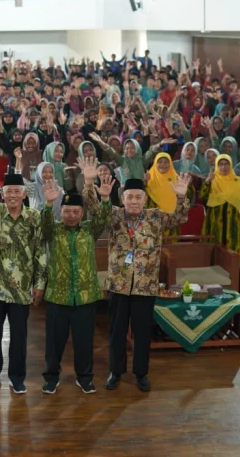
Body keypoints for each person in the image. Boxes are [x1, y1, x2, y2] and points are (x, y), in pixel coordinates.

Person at [80, 158, 189, 393]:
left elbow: (180, 218)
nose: (134, 201)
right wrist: (89, 182)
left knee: (142, 333)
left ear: (145, 199)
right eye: (130, 197)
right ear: (123, 198)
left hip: (145, 286)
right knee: (117, 332)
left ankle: (141, 373)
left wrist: (180, 197)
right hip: (119, 286)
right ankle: (116, 372)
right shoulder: (114, 215)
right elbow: (94, 208)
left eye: (138, 197)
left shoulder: (155, 217)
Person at [0, 172, 47, 395]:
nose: (13, 195)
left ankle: (17, 377)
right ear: (2, 194)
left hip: (22, 289)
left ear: (24, 194)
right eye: (9, 192)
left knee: (19, 336)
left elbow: (40, 251)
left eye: (17, 191)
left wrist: (40, 283)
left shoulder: (34, 217)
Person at [40, 177, 114, 395]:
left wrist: (106, 198)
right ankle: (51, 378)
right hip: (57, 297)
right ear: (60, 212)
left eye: (75, 212)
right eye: (67, 211)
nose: (71, 216)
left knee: (84, 341)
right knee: (54, 343)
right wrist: (48, 204)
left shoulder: (90, 230)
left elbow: (104, 217)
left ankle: (85, 377)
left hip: (85, 297)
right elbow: (43, 225)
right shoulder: (53, 230)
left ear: (82, 213)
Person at [199, 154, 240, 253]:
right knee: (216, 248)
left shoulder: (238, 181)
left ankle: (233, 267)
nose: (223, 167)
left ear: (230, 165)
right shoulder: (212, 180)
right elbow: (202, 195)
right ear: (217, 166)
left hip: (233, 220)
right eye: (220, 164)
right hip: (215, 220)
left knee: (232, 248)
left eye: (226, 164)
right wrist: (208, 181)